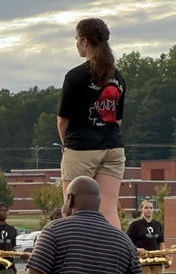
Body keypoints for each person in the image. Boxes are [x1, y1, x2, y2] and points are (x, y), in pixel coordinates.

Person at [57, 18, 126, 229]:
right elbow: (118, 119)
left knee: (72, 209)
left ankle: (76, 259)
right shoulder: (118, 77)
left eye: (77, 39)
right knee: (108, 210)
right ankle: (115, 258)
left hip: (82, 147)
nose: (76, 43)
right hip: (113, 147)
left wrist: (67, 145)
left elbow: (62, 120)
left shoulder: (75, 76)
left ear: (85, 42)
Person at [126, 200, 164, 274]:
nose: (149, 210)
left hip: (156, 260)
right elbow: (127, 241)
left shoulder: (157, 224)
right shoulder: (135, 225)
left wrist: (163, 255)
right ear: (141, 209)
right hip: (142, 260)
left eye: (151, 208)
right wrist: (137, 249)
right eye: (146, 208)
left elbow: (161, 242)